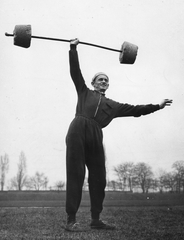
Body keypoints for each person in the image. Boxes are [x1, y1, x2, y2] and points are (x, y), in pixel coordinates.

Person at [65, 38, 172, 231]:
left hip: (96, 134)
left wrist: (157, 106)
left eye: (106, 80)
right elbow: (75, 71)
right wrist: (73, 48)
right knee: (76, 174)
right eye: (100, 79)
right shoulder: (84, 92)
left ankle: (95, 219)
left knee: (99, 177)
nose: (103, 82)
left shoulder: (113, 106)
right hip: (78, 130)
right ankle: (71, 220)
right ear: (93, 83)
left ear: (108, 85)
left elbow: (135, 109)